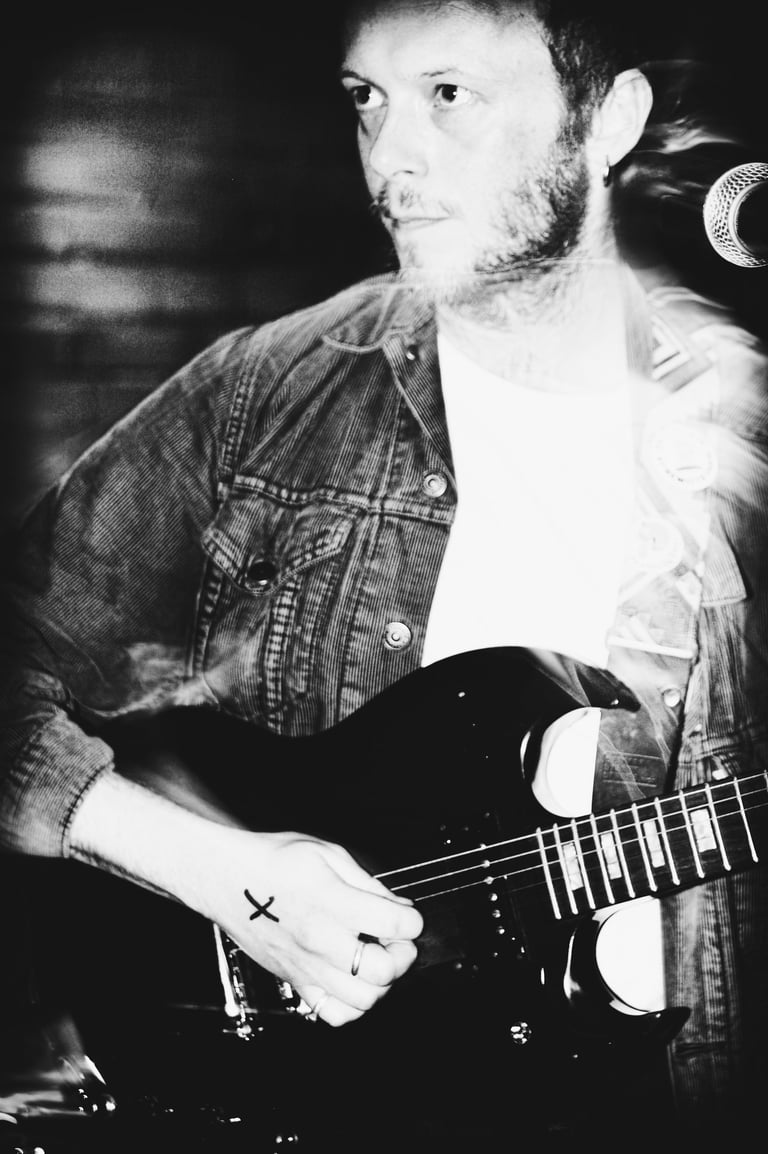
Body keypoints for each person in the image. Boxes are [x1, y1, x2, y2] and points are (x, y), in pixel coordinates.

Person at [2, 0, 768, 1149]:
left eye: (449, 95)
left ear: (609, 119)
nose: (390, 158)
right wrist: (223, 875)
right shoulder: (269, 393)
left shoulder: (740, 430)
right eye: (368, 100)